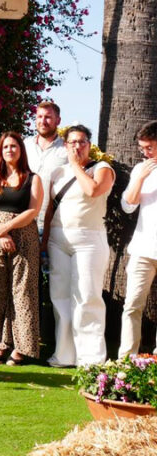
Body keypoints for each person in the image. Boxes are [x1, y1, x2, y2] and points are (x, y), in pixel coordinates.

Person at [42, 124, 114, 367]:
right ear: (66, 145)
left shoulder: (102, 169)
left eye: (82, 142)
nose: (77, 146)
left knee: (87, 297)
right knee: (60, 297)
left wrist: (75, 166)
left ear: (89, 145)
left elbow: (93, 190)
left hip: (89, 240)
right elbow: (51, 209)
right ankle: (64, 354)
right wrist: (44, 242)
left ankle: (91, 359)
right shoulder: (57, 173)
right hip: (58, 240)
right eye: (72, 142)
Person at [0, 132, 43, 366]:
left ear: (21, 150)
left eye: (14, 146)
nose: (10, 150)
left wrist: (9, 227)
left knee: (22, 292)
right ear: (0, 151)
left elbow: (33, 210)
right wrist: (0, 232)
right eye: (5, 147)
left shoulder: (33, 179)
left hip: (24, 234)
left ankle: (22, 348)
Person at [118, 120, 157, 359]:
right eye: (142, 148)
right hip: (143, 248)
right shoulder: (139, 170)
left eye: (150, 147)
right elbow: (128, 206)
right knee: (132, 305)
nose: (145, 152)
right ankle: (126, 361)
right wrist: (140, 178)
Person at [24, 101, 67, 233]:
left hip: (53, 225)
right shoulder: (24, 145)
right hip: (22, 220)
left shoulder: (67, 149)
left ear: (58, 120)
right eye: (39, 116)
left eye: (48, 117)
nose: (43, 121)